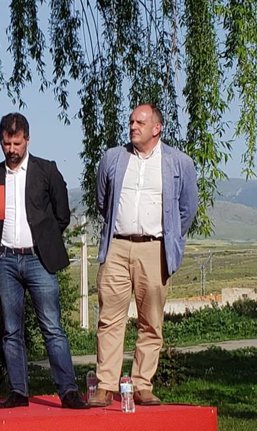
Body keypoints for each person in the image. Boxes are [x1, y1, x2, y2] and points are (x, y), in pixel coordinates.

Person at [89, 103, 198, 407]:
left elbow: (187, 209)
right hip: (117, 246)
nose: (133, 126)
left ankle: (142, 384)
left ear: (156, 128)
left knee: (151, 321)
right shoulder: (113, 158)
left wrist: (170, 237)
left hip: (155, 248)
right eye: (131, 121)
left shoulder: (179, 162)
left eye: (140, 122)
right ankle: (106, 384)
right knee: (109, 317)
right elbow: (103, 201)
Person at [0, 113, 88, 410]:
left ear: (27, 139)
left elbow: (62, 215)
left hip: (38, 259)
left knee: (52, 327)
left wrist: (44, 242)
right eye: (6, 143)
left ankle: (68, 391)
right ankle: (18, 391)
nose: (11, 149)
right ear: (0, 142)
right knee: (11, 329)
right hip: (6, 259)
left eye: (17, 143)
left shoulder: (47, 170)